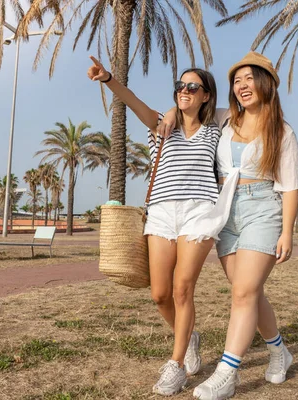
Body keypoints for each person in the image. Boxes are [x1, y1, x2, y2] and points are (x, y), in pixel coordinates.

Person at [159, 51, 298, 399]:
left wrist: (287, 231)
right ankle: (279, 350)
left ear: (265, 83)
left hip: (263, 209)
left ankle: (227, 372)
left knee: (243, 292)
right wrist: (171, 110)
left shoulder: (282, 131)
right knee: (249, 291)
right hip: (224, 213)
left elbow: (291, 185)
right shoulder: (224, 119)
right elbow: (187, 108)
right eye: (237, 81)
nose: (242, 86)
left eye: (249, 78)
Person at [87, 56, 227, 396]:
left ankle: (176, 365)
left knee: (182, 288)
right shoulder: (161, 125)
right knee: (160, 293)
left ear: (207, 95)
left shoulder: (216, 128)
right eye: (180, 86)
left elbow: (245, 111)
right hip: (162, 212)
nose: (184, 91)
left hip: (199, 211)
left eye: (193, 87)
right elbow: (133, 102)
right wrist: (109, 78)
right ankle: (189, 336)